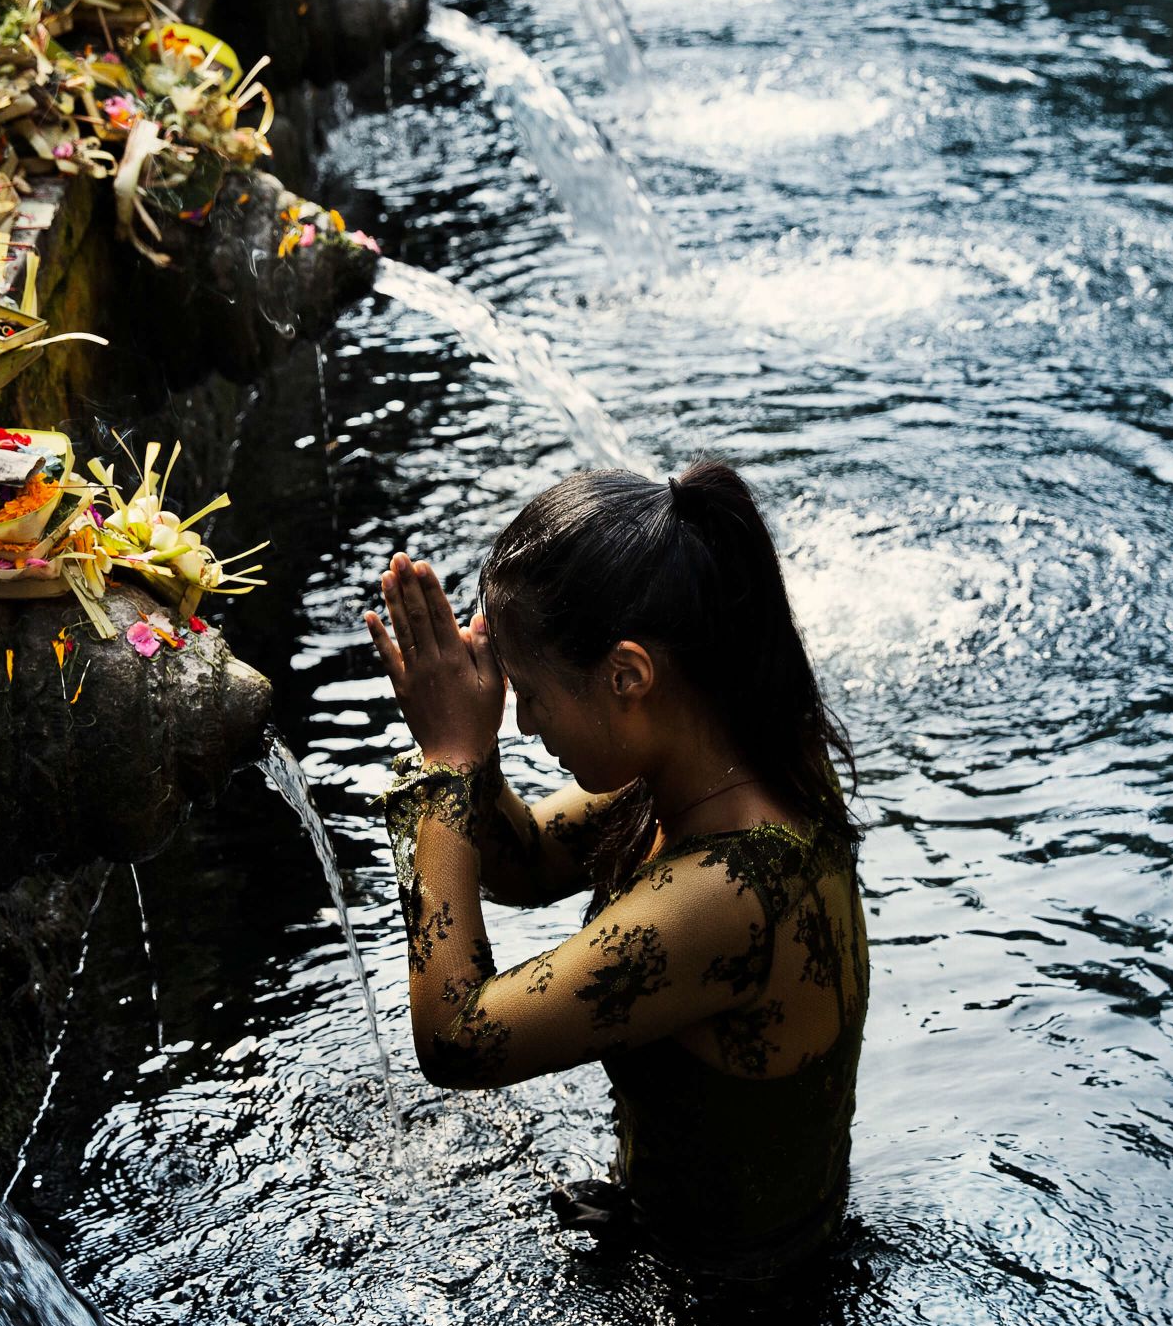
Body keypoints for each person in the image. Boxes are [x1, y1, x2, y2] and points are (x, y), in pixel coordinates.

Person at [364, 461, 869, 1284]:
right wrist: (467, 733)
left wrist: (449, 765)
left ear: (628, 676)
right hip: (682, 1245)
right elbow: (522, 861)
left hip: (740, 1322)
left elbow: (459, 1041)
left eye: (528, 694)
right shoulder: (727, 765)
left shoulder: (733, 892)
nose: (521, 724)